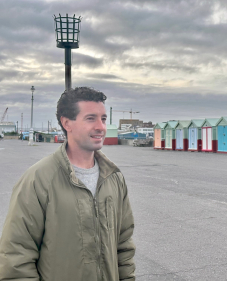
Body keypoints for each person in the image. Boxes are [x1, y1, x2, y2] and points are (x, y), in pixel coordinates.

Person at [0, 87, 136, 280]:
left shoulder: (114, 177)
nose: (101, 127)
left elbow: (124, 245)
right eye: (91, 118)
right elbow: (16, 257)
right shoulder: (38, 179)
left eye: (103, 119)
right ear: (66, 123)